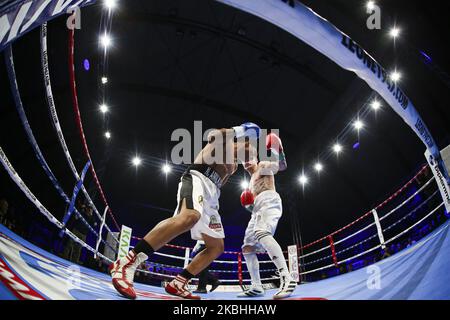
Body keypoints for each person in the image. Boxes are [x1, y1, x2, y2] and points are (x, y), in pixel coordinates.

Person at [109, 123, 260, 300]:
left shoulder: (234, 166)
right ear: (244, 141)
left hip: (213, 194)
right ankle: (127, 262)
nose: (250, 161)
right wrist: (241, 128)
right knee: (189, 217)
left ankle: (179, 283)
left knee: (216, 247)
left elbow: (222, 181)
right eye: (250, 154)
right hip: (197, 178)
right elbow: (213, 135)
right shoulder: (225, 141)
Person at [238, 133, 297, 300]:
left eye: (249, 158)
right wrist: (248, 205)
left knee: (262, 233)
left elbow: (279, 167)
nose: (247, 162)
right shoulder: (250, 183)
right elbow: (253, 208)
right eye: (244, 160)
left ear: (255, 158)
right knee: (247, 246)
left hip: (269, 200)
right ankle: (256, 286)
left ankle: (287, 278)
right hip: (257, 209)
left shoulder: (262, 165)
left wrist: (277, 150)